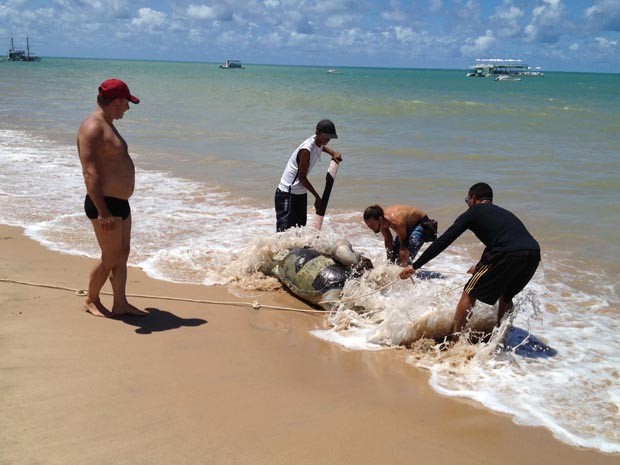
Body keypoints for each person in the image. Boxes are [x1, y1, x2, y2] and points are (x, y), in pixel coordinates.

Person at [400, 183, 540, 341]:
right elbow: (500, 242)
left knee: (470, 292)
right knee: (506, 296)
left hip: (507, 253)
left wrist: (415, 266)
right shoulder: (503, 214)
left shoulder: (473, 212)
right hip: (533, 254)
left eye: (467, 200)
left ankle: (454, 340)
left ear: (473, 198)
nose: (468, 203)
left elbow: (444, 241)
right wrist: (480, 266)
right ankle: (501, 339)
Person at [77, 78, 147, 318]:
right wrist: (103, 211)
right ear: (116, 101)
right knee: (110, 258)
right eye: (127, 103)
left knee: (123, 253)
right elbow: (90, 173)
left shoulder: (107, 123)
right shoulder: (92, 128)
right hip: (104, 204)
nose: (128, 108)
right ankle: (91, 299)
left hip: (120, 203)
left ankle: (120, 303)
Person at [275, 119, 342, 231]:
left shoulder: (318, 142)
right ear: (317, 133)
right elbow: (302, 177)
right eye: (326, 137)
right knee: (284, 232)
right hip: (287, 193)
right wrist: (317, 197)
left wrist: (333, 153)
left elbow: (321, 147)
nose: (328, 140)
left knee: (299, 231)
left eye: (329, 138)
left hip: (300, 193)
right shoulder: (306, 150)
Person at [363, 204, 433, 265]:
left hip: (421, 223)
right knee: (394, 256)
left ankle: (408, 273)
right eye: (368, 225)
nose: (370, 227)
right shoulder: (381, 222)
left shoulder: (395, 222)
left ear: (380, 219)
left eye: (372, 225)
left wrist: (403, 258)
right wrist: (389, 261)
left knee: (404, 255)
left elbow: (404, 244)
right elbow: (388, 240)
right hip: (406, 225)